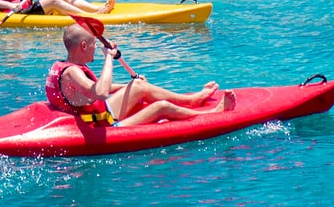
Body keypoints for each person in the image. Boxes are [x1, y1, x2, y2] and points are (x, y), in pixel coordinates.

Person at [45, 17, 227, 127]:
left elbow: (92, 90)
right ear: (83, 46)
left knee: (139, 85)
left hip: (101, 112)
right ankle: (211, 115)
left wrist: (129, 86)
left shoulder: (63, 65)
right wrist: (108, 57)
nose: (96, 48)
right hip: (102, 124)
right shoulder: (72, 74)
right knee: (161, 107)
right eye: (94, 44)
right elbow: (100, 93)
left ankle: (192, 100)